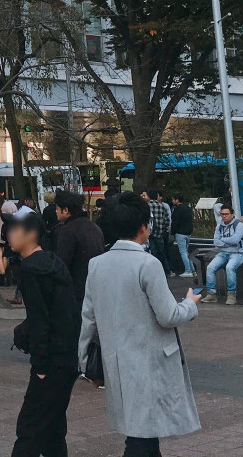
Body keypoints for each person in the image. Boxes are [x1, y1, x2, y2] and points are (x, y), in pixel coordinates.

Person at [79, 192, 201, 457]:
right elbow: (168, 315)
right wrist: (190, 304)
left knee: (141, 433)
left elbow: (88, 317)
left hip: (117, 362)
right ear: (143, 227)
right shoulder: (148, 264)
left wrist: (84, 360)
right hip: (150, 361)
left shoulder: (96, 264)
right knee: (142, 437)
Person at [7, 211, 80, 457]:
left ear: (31, 234)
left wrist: (40, 366)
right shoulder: (53, 262)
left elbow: (40, 321)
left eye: (15, 229)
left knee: (29, 428)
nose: (10, 234)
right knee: (53, 429)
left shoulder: (31, 269)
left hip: (50, 362)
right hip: (67, 358)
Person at [53, 190, 105, 304]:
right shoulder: (93, 226)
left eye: (57, 208)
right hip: (96, 285)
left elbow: (62, 262)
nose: (55, 211)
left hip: (77, 288)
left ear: (66, 210)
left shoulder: (67, 230)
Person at [202, 203, 243, 305]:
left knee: (229, 267)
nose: (224, 216)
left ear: (232, 214)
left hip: (238, 253)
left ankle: (232, 294)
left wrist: (223, 241)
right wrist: (226, 243)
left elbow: (236, 240)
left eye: (226, 214)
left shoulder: (238, 224)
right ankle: (211, 294)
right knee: (210, 267)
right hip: (223, 253)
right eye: (222, 214)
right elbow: (216, 241)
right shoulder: (219, 226)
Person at [145, 189, 171, 276]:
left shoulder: (147, 206)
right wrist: (165, 229)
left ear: (148, 196)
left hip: (150, 233)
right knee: (162, 252)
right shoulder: (162, 206)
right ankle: (167, 271)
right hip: (160, 233)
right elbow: (167, 219)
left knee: (153, 252)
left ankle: (155, 271)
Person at [170, 194, 195, 278]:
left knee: (183, 252)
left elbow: (174, 221)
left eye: (173, 199)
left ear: (177, 200)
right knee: (186, 252)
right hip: (188, 233)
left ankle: (188, 270)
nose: (172, 201)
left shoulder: (177, 209)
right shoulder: (188, 208)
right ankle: (193, 270)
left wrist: (172, 232)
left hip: (180, 233)